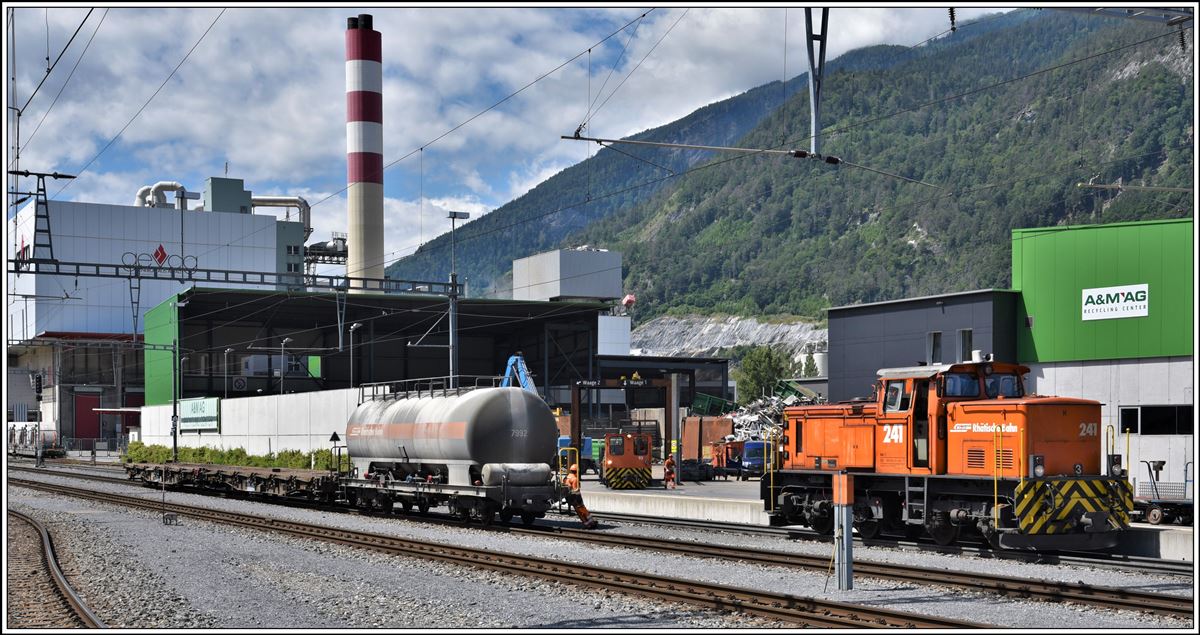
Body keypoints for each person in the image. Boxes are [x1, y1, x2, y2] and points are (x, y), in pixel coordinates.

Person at [564, 464, 598, 529]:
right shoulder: (574, 479)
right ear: (577, 471)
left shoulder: (567, 478)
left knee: (578, 512)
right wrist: (578, 497)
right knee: (583, 510)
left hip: (570, 497)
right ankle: (591, 522)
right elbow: (575, 490)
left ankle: (586, 524)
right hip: (576, 497)